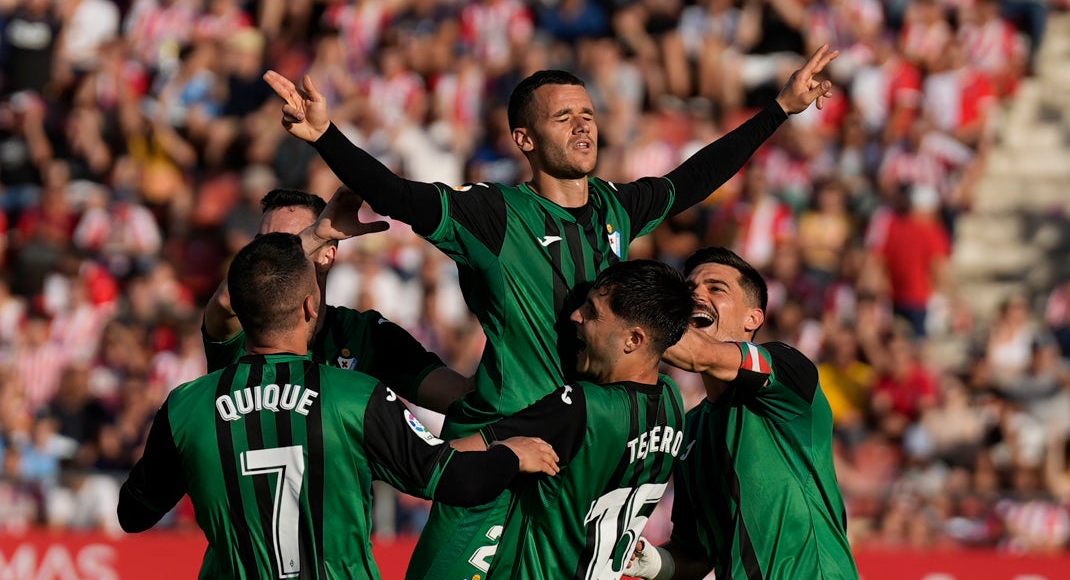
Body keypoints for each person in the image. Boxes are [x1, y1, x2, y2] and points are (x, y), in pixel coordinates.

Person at [265, 44, 838, 579]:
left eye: (587, 113)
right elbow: (398, 194)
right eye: (563, 117)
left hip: (578, 462)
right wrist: (326, 138)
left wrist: (781, 109)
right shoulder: (493, 215)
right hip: (500, 452)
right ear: (525, 139)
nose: (583, 124)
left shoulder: (617, 207)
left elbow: (695, 177)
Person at [117, 232, 559, 579]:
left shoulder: (186, 406)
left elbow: (134, 514)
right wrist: (510, 454)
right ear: (311, 307)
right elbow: (450, 479)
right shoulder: (356, 396)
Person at [625, 246, 859, 580]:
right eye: (690, 290)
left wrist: (624, 314)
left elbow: (701, 355)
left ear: (753, 317)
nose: (697, 296)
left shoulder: (786, 370)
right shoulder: (690, 429)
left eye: (715, 288)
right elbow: (695, 554)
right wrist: (650, 561)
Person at [453, 259, 693, 579]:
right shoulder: (672, 400)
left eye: (593, 312)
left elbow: (450, 458)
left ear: (633, 340)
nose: (575, 316)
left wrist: (507, 455)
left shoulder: (583, 407)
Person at [203, 186, 470, 412]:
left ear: (327, 255)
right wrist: (314, 236)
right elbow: (228, 300)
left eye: (287, 242)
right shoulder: (240, 331)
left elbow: (461, 398)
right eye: (261, 244)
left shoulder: (364, 335)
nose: (266, 255)